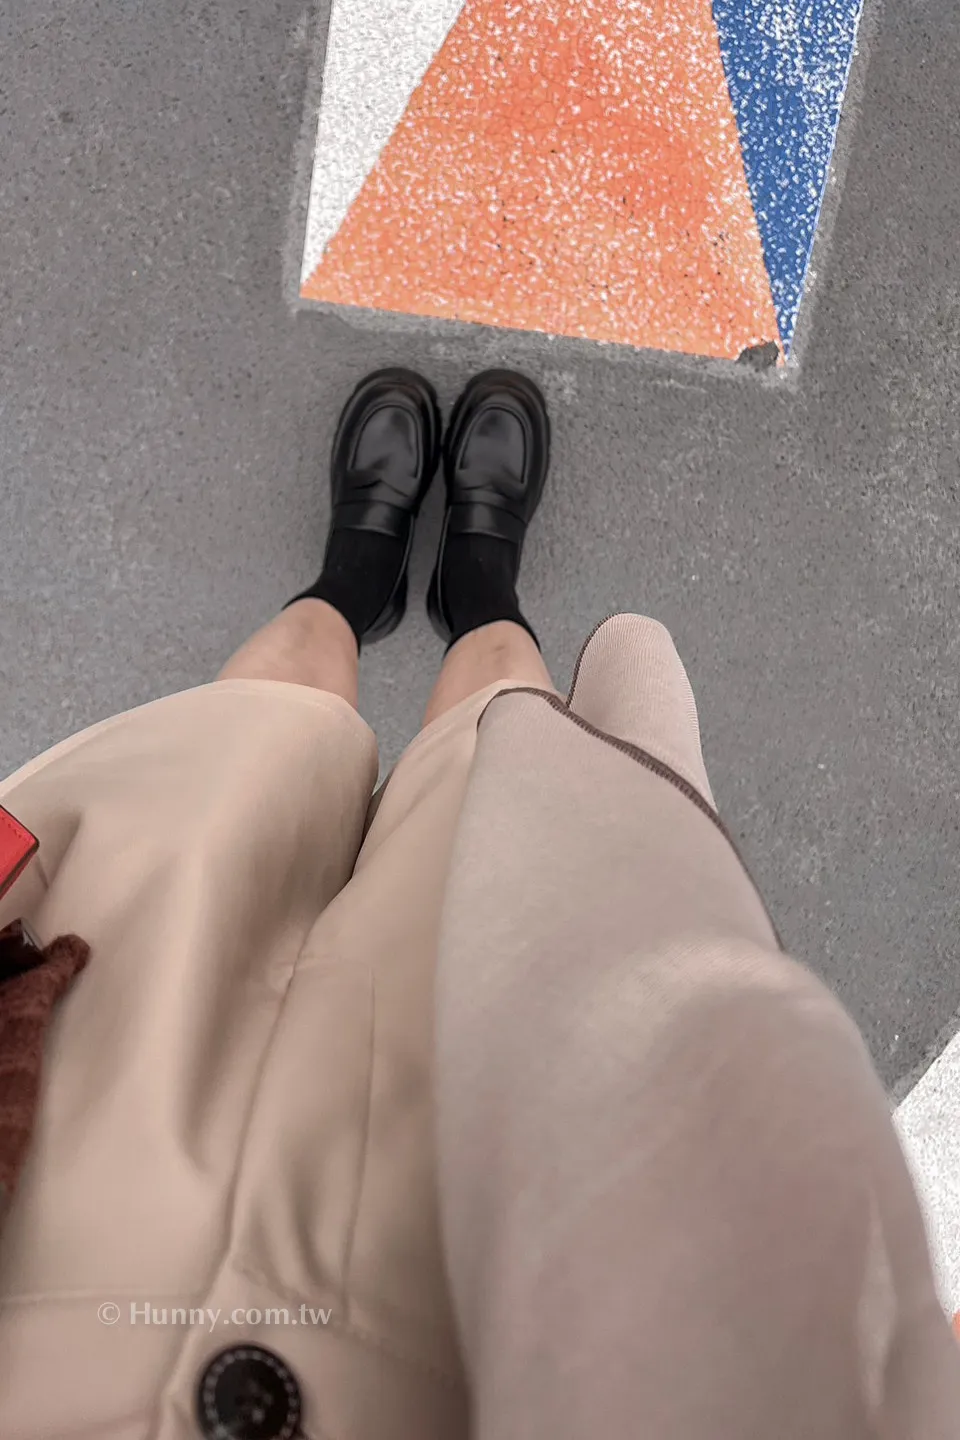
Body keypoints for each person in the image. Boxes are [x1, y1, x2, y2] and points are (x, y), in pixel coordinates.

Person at [0, 367, 957, 1440]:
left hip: (55, 1129)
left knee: (256, 738)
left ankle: (352, 583)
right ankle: (481, 594)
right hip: (487, 1237)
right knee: (493, 743)